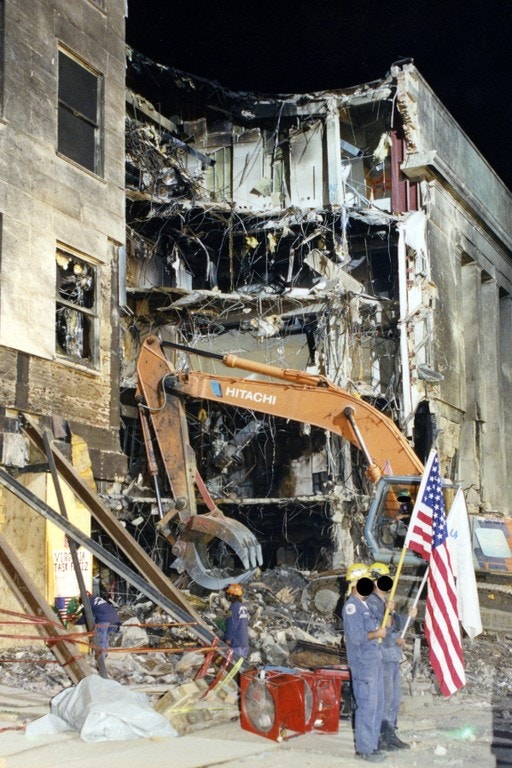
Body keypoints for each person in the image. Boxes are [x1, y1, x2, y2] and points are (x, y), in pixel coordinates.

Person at [367, 562, 417, 751]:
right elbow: (377, 630)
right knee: (385, 698)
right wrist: (395, 638)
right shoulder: (372, 602)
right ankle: (380, 737)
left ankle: (390, 733)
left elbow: (396, 625)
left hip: (391, 657)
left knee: (394, 698)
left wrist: (409, 617)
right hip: (382, 656)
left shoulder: (385, 603)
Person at [342, 563, 387, 763]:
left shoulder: (365, 605)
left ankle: (373, 744)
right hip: (363, 663)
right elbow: (357, 637)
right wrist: (376, 633)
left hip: (374, 661)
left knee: (377, 704)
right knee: (367, 705)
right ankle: (364, 749)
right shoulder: (352, 606)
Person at [224, 583, 249, 660]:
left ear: (232, 595)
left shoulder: (234, 607)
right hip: (244, 644)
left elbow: (232, 624)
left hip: (236, 644)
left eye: (228, 594)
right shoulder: (243, 607)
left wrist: (228, 638)